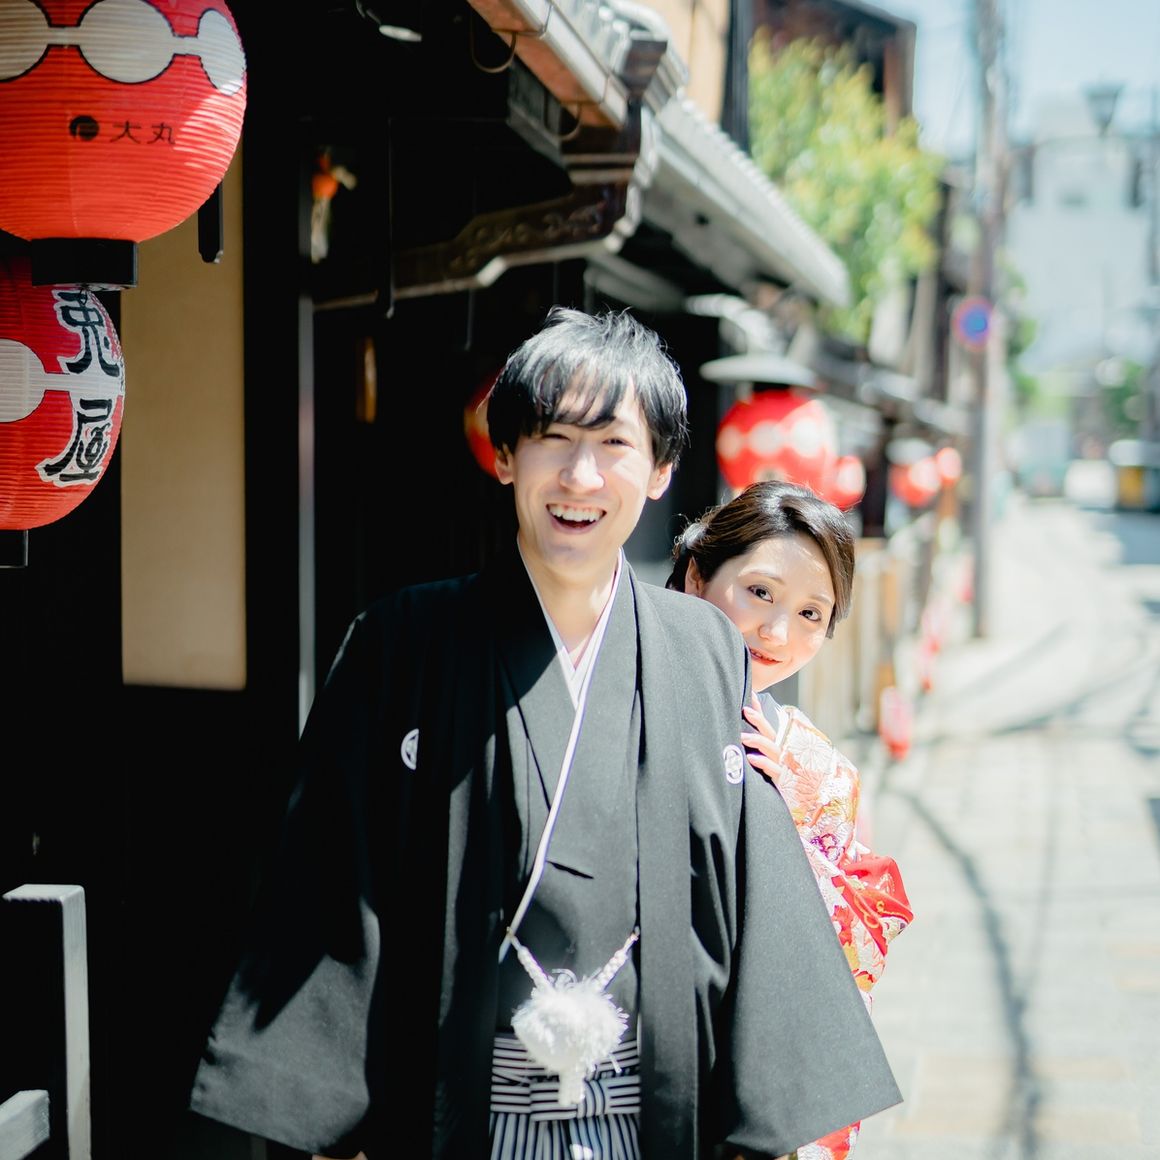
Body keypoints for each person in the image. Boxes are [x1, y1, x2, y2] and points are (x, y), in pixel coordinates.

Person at [188, 307, 902, 1160]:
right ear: (503, 456)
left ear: (662, 470)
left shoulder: (702, 649)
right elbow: (329, 882)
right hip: (456, 1107)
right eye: (553, 439)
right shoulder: (401, 640)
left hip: (652, 1111)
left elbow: (742, 894)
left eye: (614, 444)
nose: (580, 476)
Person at [666, 479, 914, 1160]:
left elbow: (857, 941)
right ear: (697, 577)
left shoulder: (819, 768)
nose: (778, 633)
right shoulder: (622, 705)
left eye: (811, 613)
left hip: (757, 1051)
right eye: (760, 592)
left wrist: (792, 824)